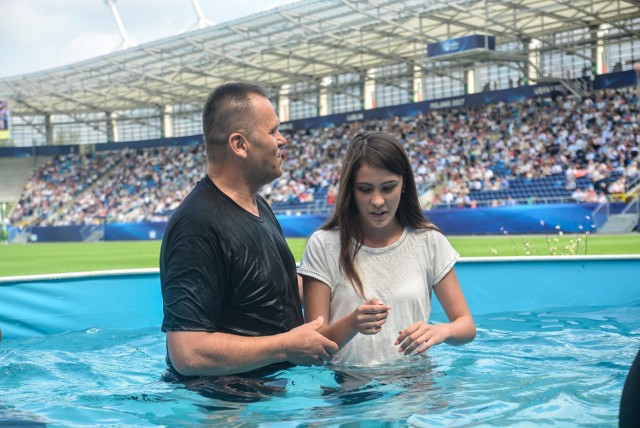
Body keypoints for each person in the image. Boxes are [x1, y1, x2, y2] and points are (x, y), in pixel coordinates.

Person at [159, 82, 338, 379]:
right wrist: (285, 347)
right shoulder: (198, 225)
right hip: (227, 409)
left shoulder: (257, 205)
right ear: (239, 144)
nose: (282, 140)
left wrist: (347, 283)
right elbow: (187, 353)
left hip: (273, 395)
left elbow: (274, 294)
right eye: (272, 131)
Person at [298, 132, 476, 367]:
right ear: (350, 190)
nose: (378, 201)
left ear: (404, 185)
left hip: (416, 388)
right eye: (365, 189)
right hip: (350, 391)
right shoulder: (324, 244)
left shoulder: (429, 240)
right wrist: (351, 324)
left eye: (388, 187)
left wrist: (441, 331)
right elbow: (314, 347)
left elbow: (466, 325)